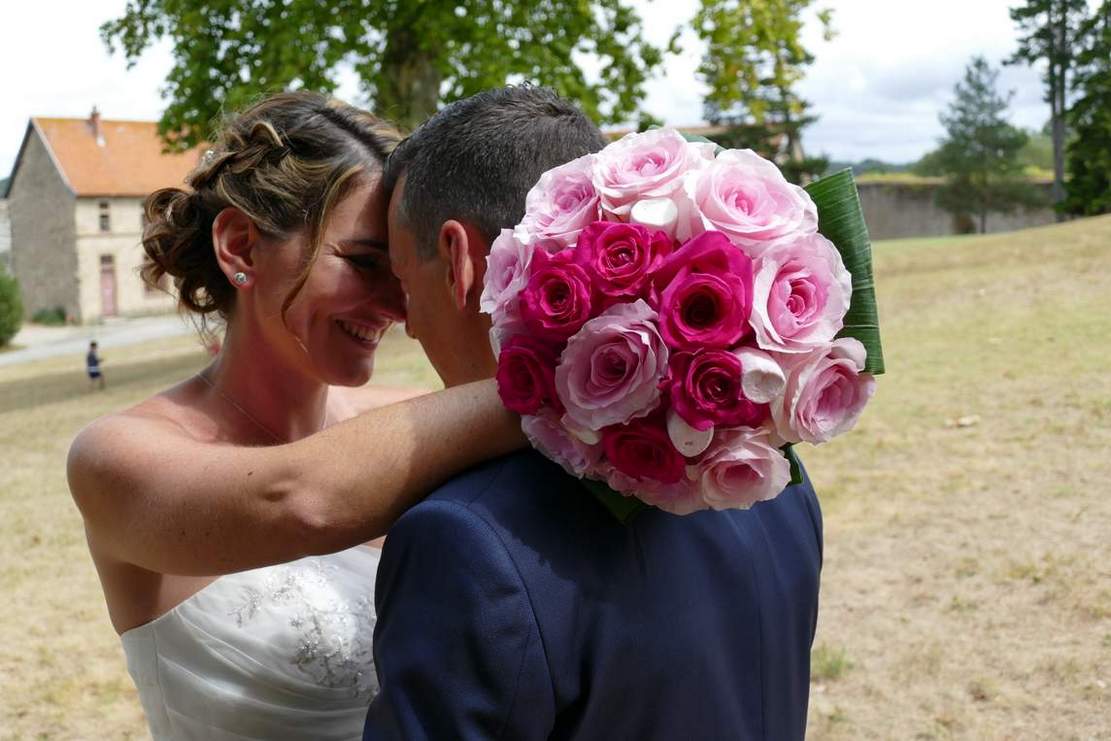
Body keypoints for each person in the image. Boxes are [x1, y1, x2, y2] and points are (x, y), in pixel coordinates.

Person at [364, 85, 824, 740]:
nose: (407, 325)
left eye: (404, 281)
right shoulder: (765, 475)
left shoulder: (465, 540)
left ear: (458, 261)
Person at [65, 92, 524, 740]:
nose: (397, 306)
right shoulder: (115, 456)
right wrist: (555, 388)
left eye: (398, 270)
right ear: (240, 247)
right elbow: (299, 500)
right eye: (363, 263)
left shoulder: (417, 418)